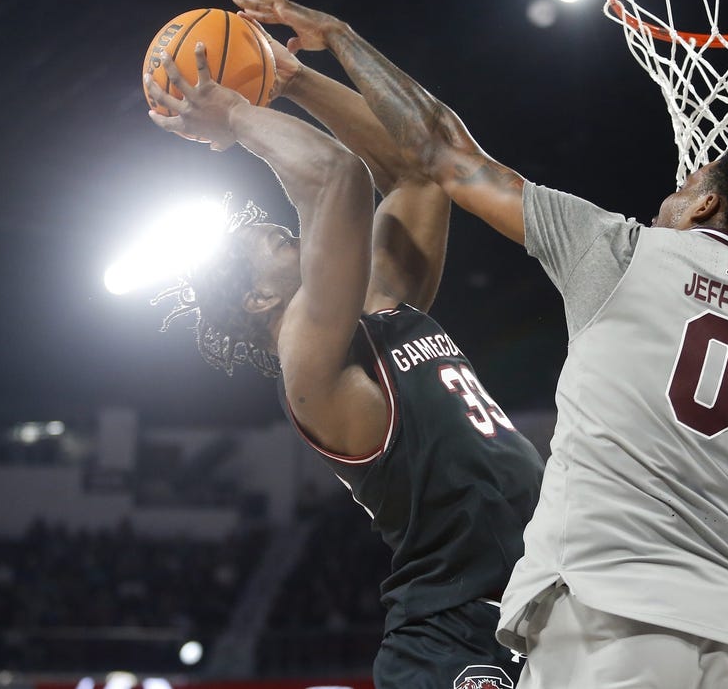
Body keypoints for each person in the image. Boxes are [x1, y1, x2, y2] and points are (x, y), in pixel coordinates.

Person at [231, 0, 728, 689]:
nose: (663, 199)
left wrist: (336, 38)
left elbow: (437, 155)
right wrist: (702, 530)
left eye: (682, 187)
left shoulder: (621, 251)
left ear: (705, 202)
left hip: (612, 617)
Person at [145, 34, 544, 688]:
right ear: (259, 295)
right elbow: (335, 174)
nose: (296, 232)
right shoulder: (307, 363)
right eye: (277, 240)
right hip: (453, 630)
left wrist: (295, 77)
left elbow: (417, 171)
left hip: (540, 600)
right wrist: (236, 116)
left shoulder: (380, 301)